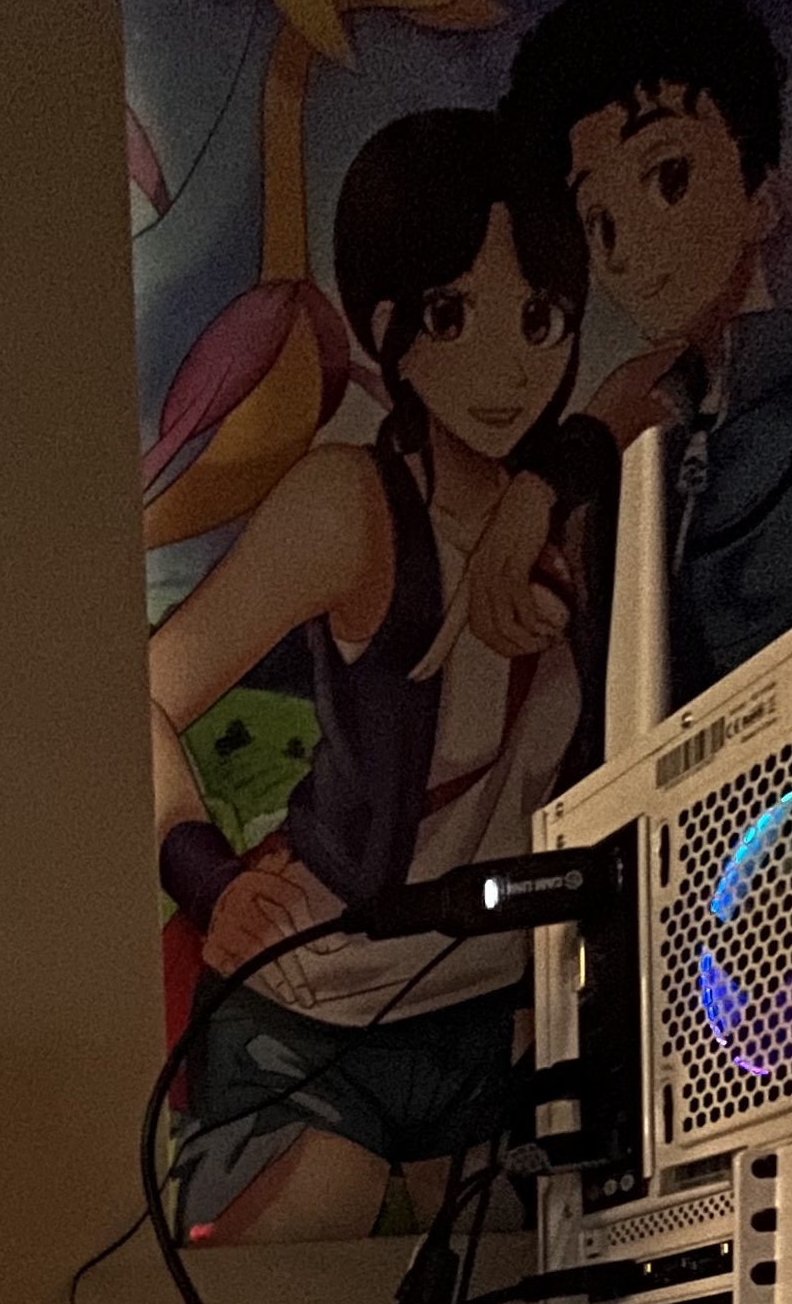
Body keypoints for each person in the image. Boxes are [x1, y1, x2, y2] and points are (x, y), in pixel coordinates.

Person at [149, 108, 608, 1240]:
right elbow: (139, 693)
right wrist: (203, 874)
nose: (507, 367)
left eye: (539, 320)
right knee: (306, 1280)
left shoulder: (582, 516)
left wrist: (539, 495)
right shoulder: (349, 504)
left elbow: (652, 390)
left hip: (498, 1022)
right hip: (311, 1017)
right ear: (392, 330)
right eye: (453, 316)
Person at [477, 0, 792, 697]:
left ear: (762, 196)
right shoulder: (649, 461)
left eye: (668, 178)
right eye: (599, 221)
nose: (626, 247)